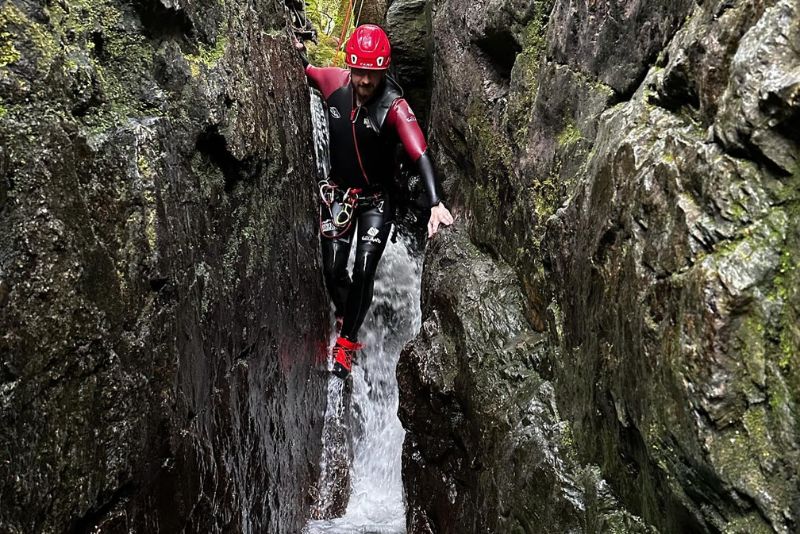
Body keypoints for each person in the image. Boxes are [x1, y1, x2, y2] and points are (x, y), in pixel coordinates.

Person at [297, 24, 454, 379]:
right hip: (339, 194)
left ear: (383, 71)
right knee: (333, 269)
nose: (365, 80)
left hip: (376, 201)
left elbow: (420, 152)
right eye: (360, 71)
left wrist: (435, 202)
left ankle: (347, 341)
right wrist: (296, 48)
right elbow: (306, 69)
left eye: (373, 73)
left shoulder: (394, 106)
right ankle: (347, 311)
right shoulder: (332, 82)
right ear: (350, 65)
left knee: (365, 267)